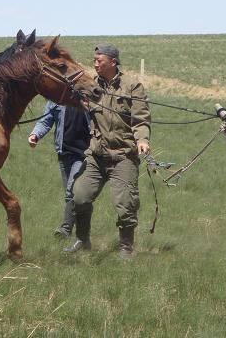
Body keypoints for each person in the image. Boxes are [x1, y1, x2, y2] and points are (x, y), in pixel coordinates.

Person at [64, 44, 151, 259]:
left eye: (99, 61)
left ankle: (125, 247)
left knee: (125, 204)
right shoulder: (90, 85)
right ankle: (82, 240)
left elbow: (141, 119)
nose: (95, 64)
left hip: (124, 156)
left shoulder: (132, 86)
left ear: (113, 62)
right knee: (80, 196)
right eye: (94, 60)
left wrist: (142, 140)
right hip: (96, 155)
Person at [28, 100, 91, 237]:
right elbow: (46, 120)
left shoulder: (88, 95)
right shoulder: (58, 97)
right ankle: (81, 233)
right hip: (64, 153)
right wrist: (35, 135)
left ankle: (65, 229)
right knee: (72, 195)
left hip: (83, 154)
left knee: (71, 190)